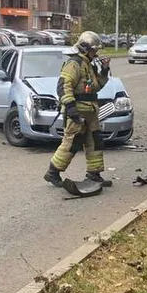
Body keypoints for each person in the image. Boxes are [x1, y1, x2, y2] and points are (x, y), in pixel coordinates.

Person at [44, 31, 112, 188]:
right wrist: (71, 108)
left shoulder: (88, 64)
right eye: (94, 50)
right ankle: (52, 173)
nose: (96, 54)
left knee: (95, 142)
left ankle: (94, 175)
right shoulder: (74, 63)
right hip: (78, 112)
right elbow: (63, 86)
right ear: (85, 49)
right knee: (72, 143)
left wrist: (104, 71)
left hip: (91, 112)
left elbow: (95, 87)